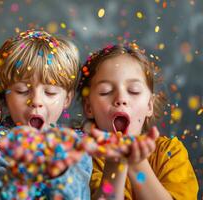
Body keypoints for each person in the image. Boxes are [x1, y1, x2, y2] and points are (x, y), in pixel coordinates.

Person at [0, 30, 93, 199]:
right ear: (5, 95)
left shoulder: (76, 144)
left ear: (67, 99)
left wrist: (59, 171)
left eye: (50, 92)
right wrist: (23, 169)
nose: (36, 101)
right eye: (22, 90)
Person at [79, 43, 199, 199]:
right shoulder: (83, 158)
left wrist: (137, 163)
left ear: (149, 105)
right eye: (106, 91)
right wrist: (115, 166)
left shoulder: (169, 153)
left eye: (133, 91)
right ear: (89, 107)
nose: (121, 99)